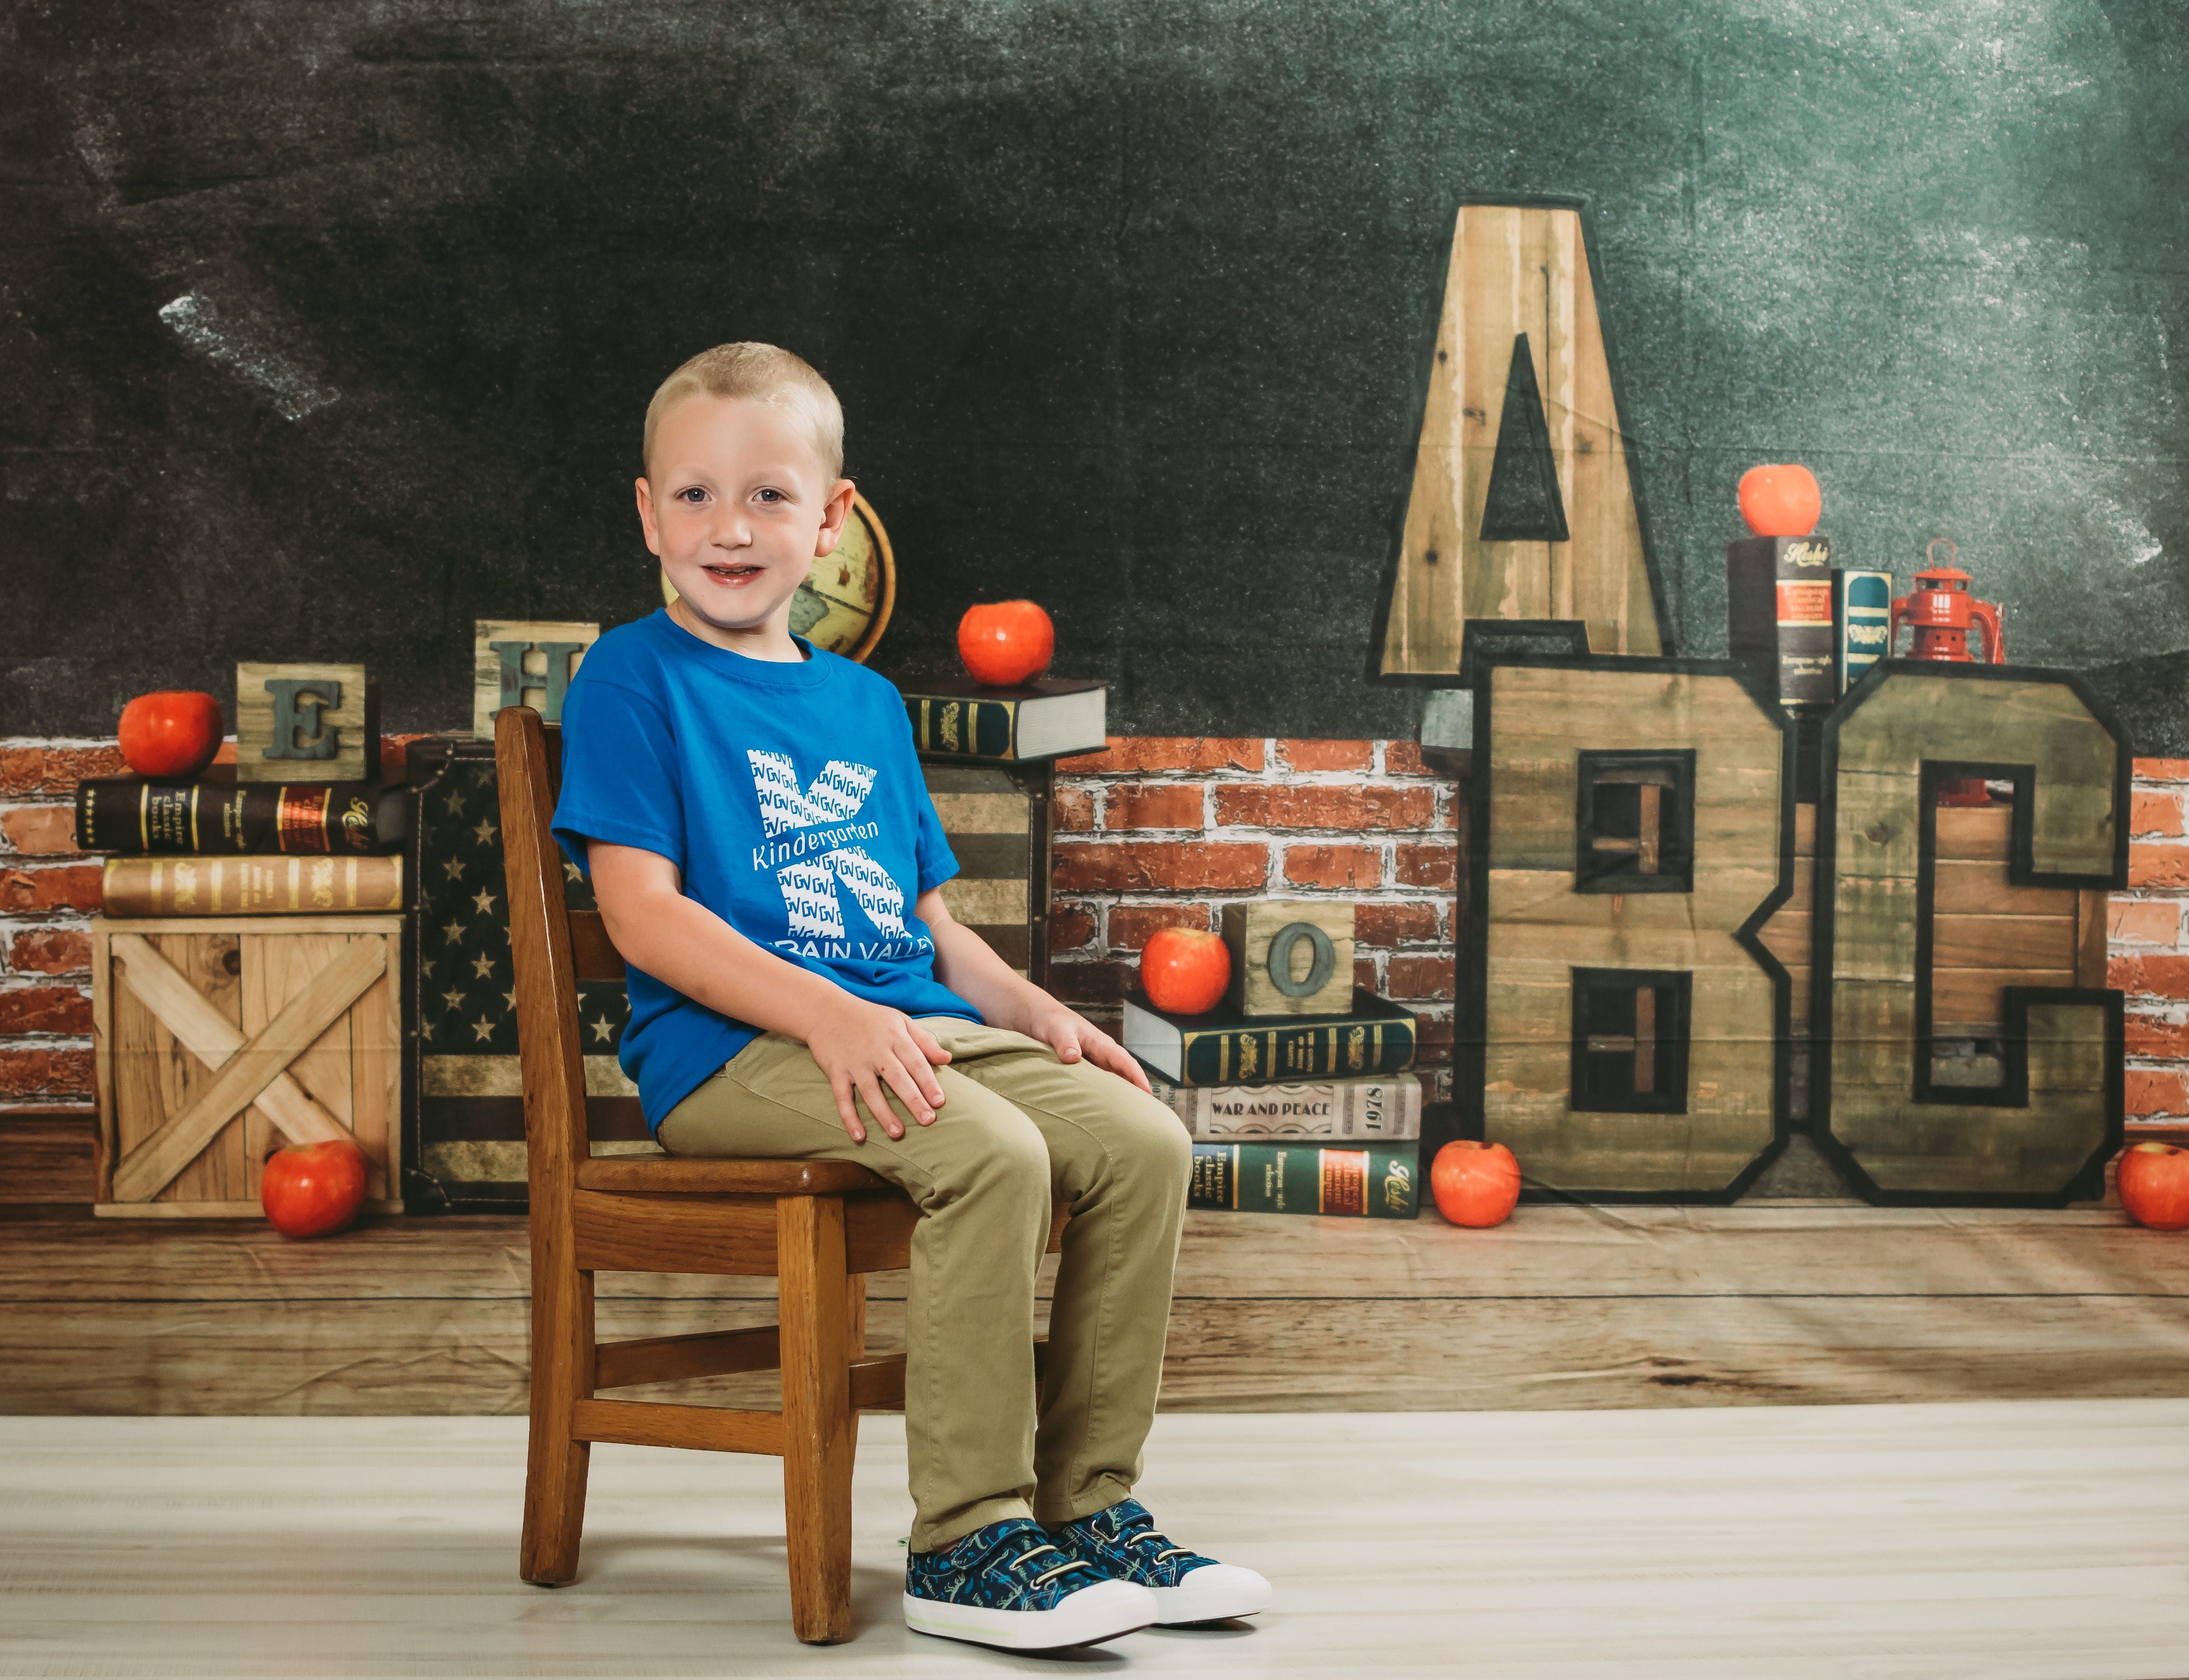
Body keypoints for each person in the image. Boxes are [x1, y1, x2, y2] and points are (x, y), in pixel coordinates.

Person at [551, 342, 1272, 1651]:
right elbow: (641, 913)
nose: (730, 528)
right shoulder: (631, 676)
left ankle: (1088, 1506)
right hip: (729, 1056)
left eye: (769, 495)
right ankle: (965, 1541)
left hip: (910, 1030)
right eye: (696, 495)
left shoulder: (868, 705)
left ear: (831, 520)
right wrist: (826, 1014)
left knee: (1142, 1144)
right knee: (992, 1154)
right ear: (648, 515)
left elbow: (931, 925)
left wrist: (1031, 1008)